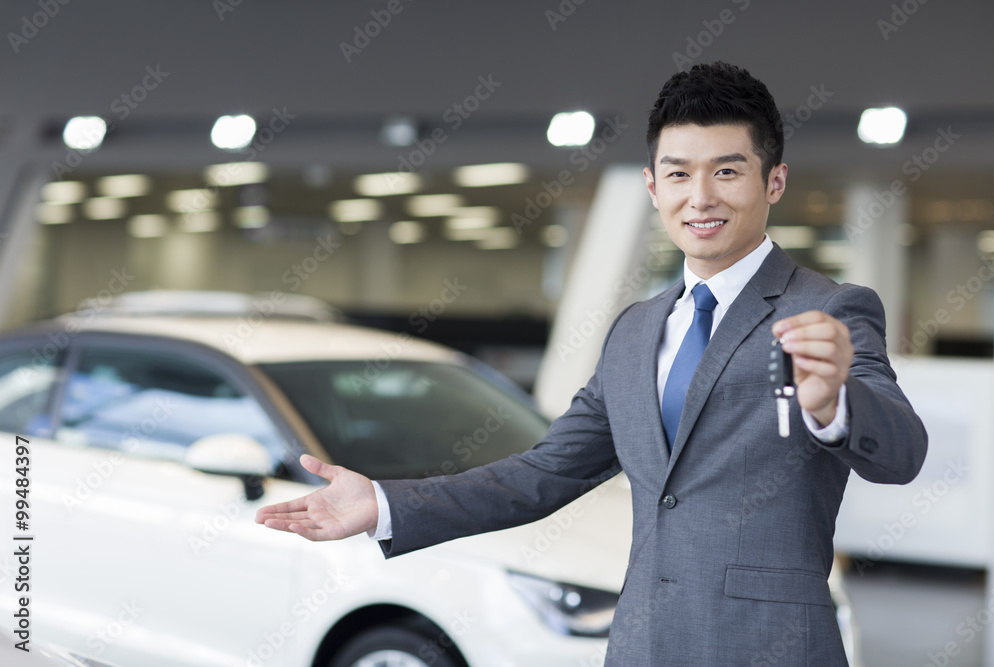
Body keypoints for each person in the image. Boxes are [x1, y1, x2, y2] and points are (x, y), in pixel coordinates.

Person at [256, 62, 928, 665]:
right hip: (640, 643)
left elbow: (901, 452)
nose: (700, 197)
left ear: (773, 180)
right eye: (678, 173)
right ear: (651, 184)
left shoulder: (831, 309)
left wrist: (833, 401)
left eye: (727, 170)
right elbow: (542, 473)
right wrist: (381, 503)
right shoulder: (635, 331)